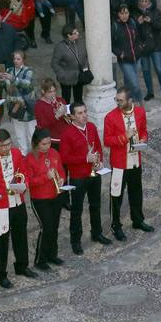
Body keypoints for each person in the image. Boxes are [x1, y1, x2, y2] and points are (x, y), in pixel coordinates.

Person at [0, 128, 32, 286]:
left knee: (21, 236)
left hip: (18, 201)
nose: (7, 148)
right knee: (2, 241)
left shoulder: (16, 153)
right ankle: (1, 274)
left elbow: (24, 172)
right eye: (3, 145)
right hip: (2, 206)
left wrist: (24, 185)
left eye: (9, 144)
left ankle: (22, 266)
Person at [60, 103, 110, 255]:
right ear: (72, 116)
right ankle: (75, 241)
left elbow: (98, 147)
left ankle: (97, 233)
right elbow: (65, 158)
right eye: (80, 113)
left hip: (94, 173)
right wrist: (85, 158)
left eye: (85, 112)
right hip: (78, 177)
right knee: (77, 210)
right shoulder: (67, 133)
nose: (84, 115)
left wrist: (100, 161)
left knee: (95, 205)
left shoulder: (91, 127)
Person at [104, 88, 154, 237]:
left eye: (121, 100)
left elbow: (143, 130)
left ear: (130, 100)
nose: (118, 103)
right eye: (116, 100)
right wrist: (124, 137)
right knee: (116, 195)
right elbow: (107, 141)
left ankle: (137, 220)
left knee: (136, 192)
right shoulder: (110, 117)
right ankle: (115, 225)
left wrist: (143, 139)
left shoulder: (140, 112)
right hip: (119, 164)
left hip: (135, 161)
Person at [25, 128, 66, 272]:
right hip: (40, 199)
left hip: (56, 195)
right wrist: (45, 177)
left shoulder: (54, 153)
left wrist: (62, 179)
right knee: (46, 227)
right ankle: (40, 260)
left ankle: (52, 255)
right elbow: (29, 182)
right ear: (36, 144)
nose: (47, 146)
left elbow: (61, 170)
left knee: (54, 227)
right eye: (44, 144)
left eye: (49, 143)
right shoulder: (30, 158)